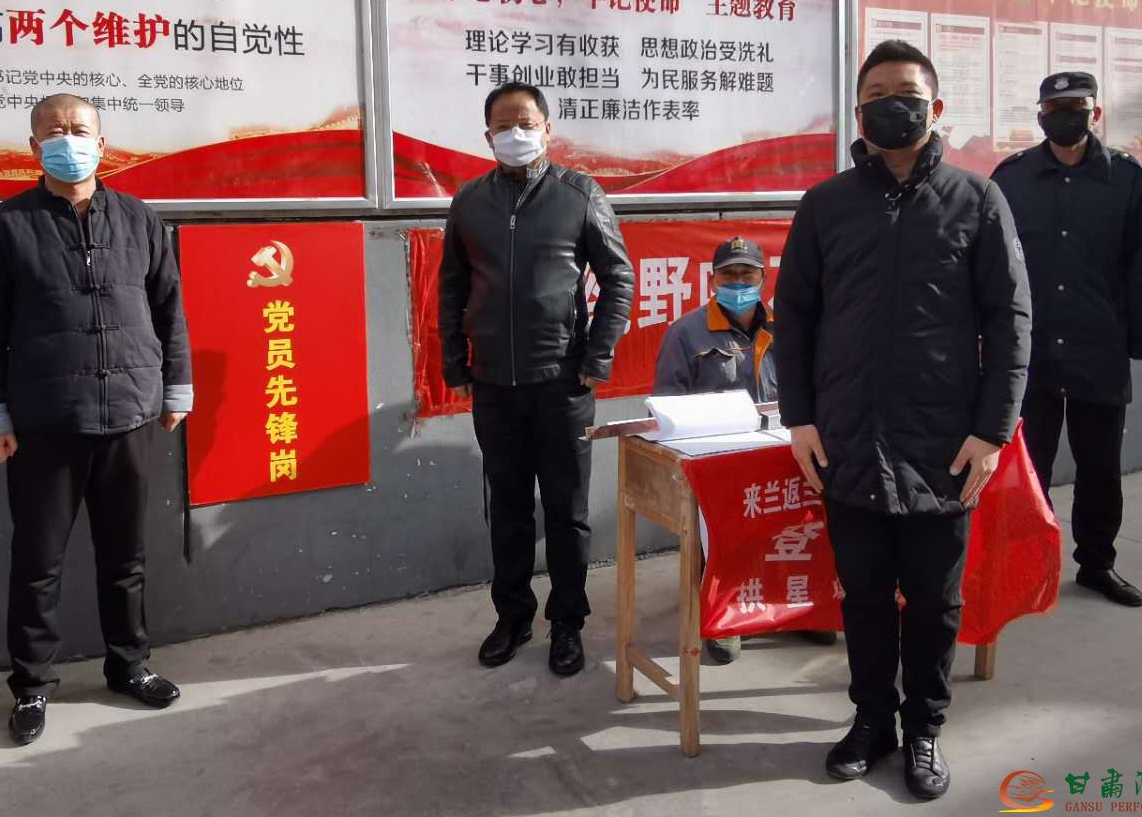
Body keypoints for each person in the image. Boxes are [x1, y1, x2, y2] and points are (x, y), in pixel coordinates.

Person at [774, 40, 1031, 801]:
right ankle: (870, 722)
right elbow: (795, 317)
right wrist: (800, 417)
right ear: (859, 113)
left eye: (907, 92)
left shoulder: (976, 200)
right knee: (861, 596)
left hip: (943, 440)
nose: (893, 104)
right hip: (847, 435)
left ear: (935, 107)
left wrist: (993, 429)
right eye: (878, 93)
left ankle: (923, 727)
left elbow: (1010, 319)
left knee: (934, 600)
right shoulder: (826, 205)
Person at [0, 93, 193, 746]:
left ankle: (129, 665)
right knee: (38, 561)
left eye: (80, 129)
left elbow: (169, 309)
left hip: (129, 415)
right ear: (34, 147)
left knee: (126, 556)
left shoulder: (139, 219)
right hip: (45, 423)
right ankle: (31, 685)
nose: (70, 140)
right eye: (55, 131)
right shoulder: (5, 227)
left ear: (103, 141)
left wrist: (175, 389)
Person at [439, 82, 634, 677]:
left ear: (548, 129)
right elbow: (451, 288)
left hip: (562, 384)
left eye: (526, 123)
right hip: (494, 385)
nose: (515, 134)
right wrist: (455, 363)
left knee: (568, 512)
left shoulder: (580, 194)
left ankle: (567, 622)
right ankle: (513, 616)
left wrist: (597, 358)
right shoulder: (469, 201)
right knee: (508, 508)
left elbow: (619, 278)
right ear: (488, 136)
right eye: (504, 125)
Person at [991, 71, 1142, 608]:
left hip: (1098, 347)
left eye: (1076, 107)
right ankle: (1028, 568)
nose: (1064, 117)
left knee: (1099, 467)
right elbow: (990, 264)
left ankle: (1097, 563)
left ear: (1096, 114)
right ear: (1040, 115)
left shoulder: (1126, 178)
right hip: (1031, 352)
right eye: (1054, 109)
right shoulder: (1013, 178)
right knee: (1029, 469)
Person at [653, 235, 837, 664]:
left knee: (801, 529)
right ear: (712, 280)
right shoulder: (686, 334)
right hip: (721, 464)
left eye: (747, 274)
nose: (738, 282)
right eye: (729, 274)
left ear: (763, 278)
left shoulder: (790, 329)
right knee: (728, 536)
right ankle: (730, 614)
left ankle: (800, 608)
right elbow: (667, 407)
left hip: (783, 455)